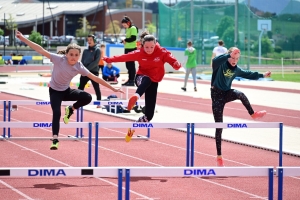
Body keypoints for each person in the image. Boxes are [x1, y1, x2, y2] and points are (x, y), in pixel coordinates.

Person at [16, 30, 123, 150]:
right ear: (66, 54)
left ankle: (71, 109)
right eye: (71, 55)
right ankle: (55, 139)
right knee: (56, 113)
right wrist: (22, 38)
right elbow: (40, 50)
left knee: (88, 97)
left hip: (66, 91)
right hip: (55, 91)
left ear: (79, 56)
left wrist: (113, 88)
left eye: (76, 55)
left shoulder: (79, 66)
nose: (73, 57)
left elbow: (95, 78)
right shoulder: (58, 59)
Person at [103, 34, 182, 142]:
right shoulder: (139, 53)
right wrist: (109, 59)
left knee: (149, 116)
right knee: (147, 79)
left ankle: (133, 127)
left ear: (155, 45)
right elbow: (124, 57)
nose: (149, 50)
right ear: (142, 45)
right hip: (141, 78)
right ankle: (136, 96)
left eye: (151, 47)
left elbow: (173, 61)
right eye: (146, 47)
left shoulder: (162, 52)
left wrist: (176, 65)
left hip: (154, 83)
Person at [211, 47, 271, 167]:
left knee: (240, 94)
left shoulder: (236, 69)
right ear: (228, 56)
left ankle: (253, 114)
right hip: (216, 96)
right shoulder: (220, 64)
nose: (234, 61)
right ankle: (219, 157)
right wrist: (228, 55)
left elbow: (248, 74)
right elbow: (214, 61)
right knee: (219, 126)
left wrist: (262, 75)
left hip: (226, 93)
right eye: (232, 58)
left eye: (237, 59)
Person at [78, 34, 102, 104]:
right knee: (80, 87)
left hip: (93, 72)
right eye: (88, 40)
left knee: (96, 88)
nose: (89, 41)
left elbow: (96, 62)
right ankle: (78, 101)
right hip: (84, 72)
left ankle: (99, 103)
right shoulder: (85, 50)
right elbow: (82, 61)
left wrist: (87, 69)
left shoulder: (97, 50)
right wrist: (82, 69)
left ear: (94, 40)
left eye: (90, 40)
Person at [121, 16, 138, 86]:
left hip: (132, 48)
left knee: (131, 65)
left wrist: (125, 40)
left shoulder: (133, 28)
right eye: (123, 25)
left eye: (125, 25)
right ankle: (130, 79)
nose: (124, 26)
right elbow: (129, 39)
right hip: (127, 48)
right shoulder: (128, 29)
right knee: (128, 65)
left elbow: (133, 38)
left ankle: (132, 80)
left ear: (128, 23)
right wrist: (124, 41)